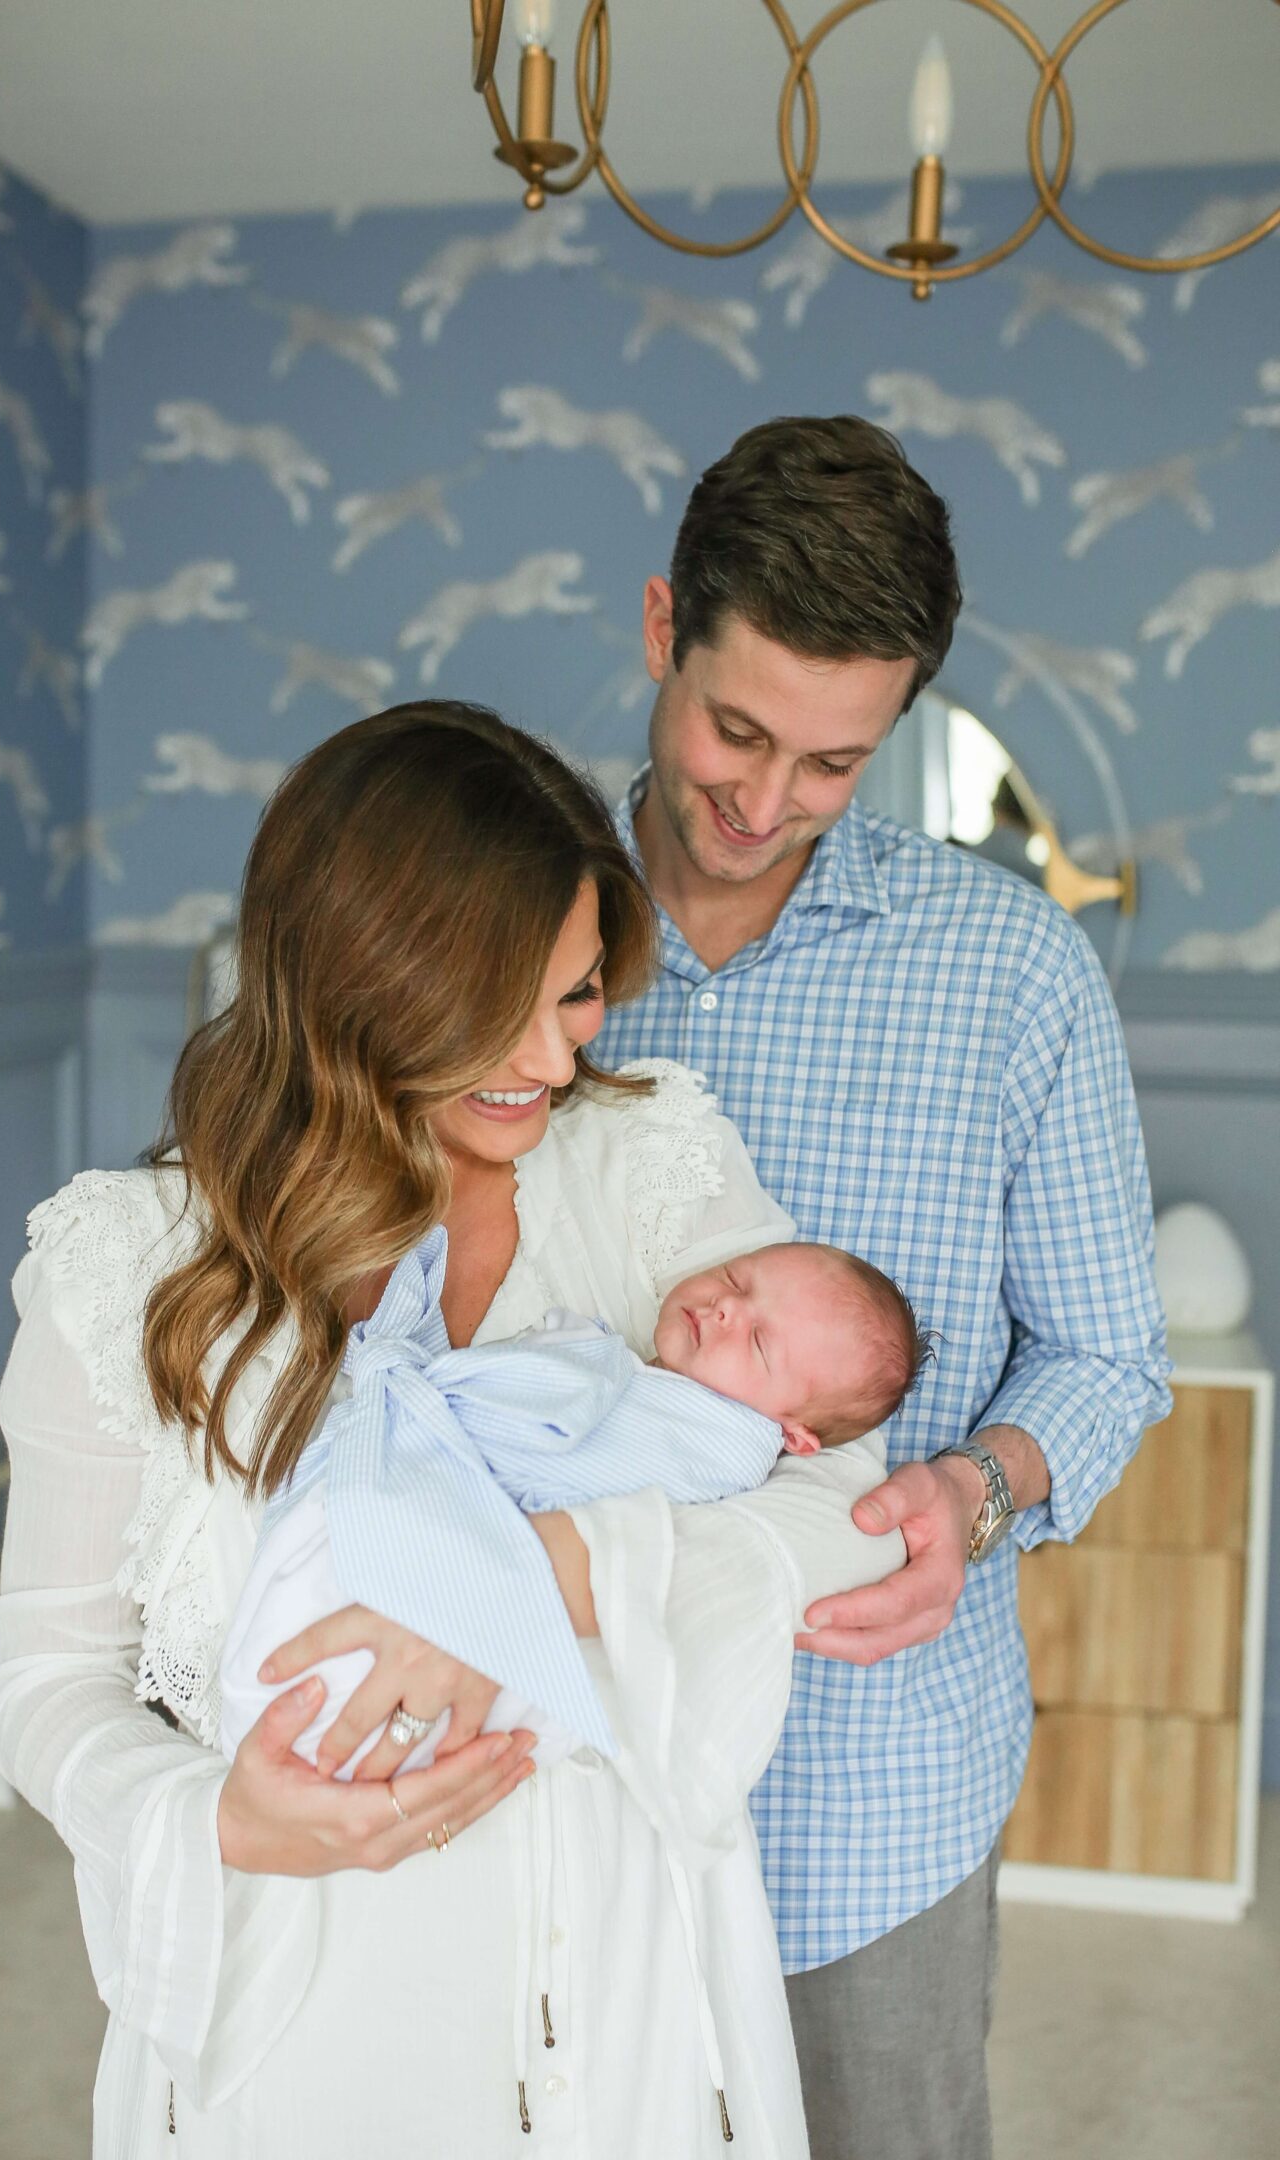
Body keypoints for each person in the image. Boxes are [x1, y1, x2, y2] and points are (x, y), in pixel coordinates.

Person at [0, 700, 904, 2160]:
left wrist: (534, 1576)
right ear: (364, 978)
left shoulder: (651, 1160)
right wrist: (220, 1820)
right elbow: (44, 1684)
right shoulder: (128, 1270)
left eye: (584, 993)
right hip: (312, 2022)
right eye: (505, 1007)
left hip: (621, 1995)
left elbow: (837, 1492)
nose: (553, 1060)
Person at [594, 414, 1173, 2160]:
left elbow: (1109, 1360)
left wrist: (972, 1490)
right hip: (561, 1770)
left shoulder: (1014, 972)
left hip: (870, 1804)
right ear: (660, 632)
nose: (764, 805)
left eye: (833, 765)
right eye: (736, 729)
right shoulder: (503, 917)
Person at [220, 1231, 931, 1774]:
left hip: (479, 1596)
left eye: (757, 1341)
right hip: (430, 1540)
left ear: (794, 1437)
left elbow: (554, 1464)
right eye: (739, 1279)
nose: (724, 1307)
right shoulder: (632, 1374)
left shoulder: (719, 1442)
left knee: (328, 1644)